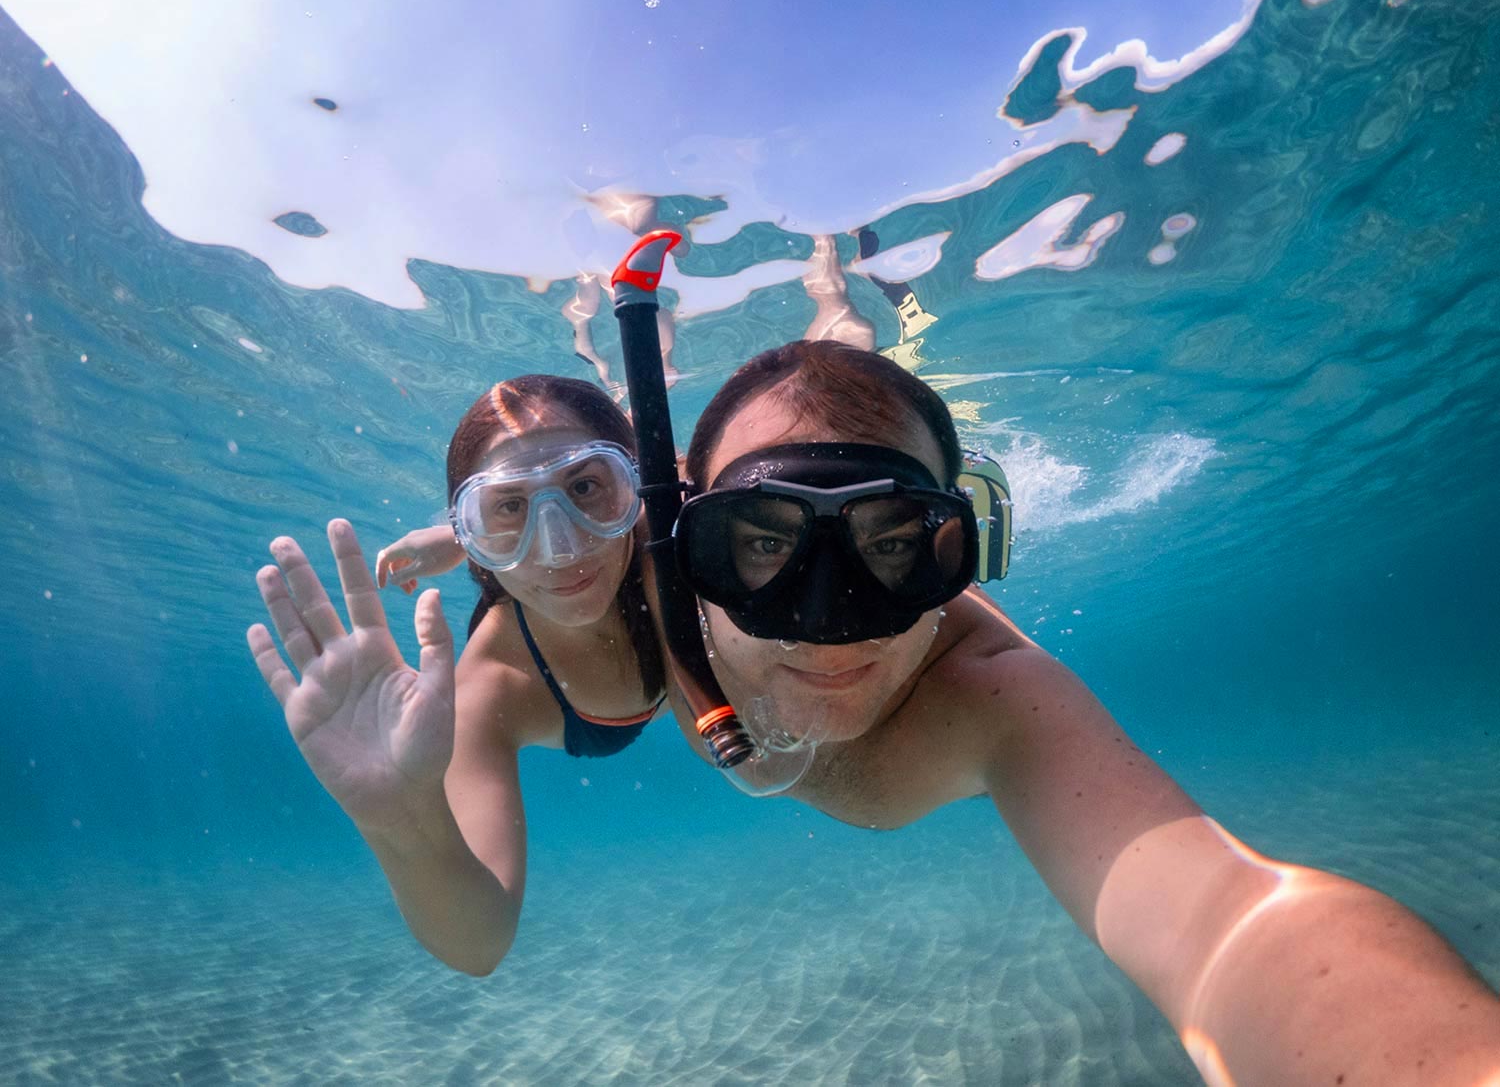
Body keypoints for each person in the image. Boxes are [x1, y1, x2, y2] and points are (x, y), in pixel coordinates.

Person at [662, 339, 1500, 1085]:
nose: (830, 623)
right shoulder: (613, 600)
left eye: (891, 544)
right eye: (764, 542)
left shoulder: (991, 696)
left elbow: (1218, 920)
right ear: (679, 549)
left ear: (960, 549)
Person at [246, 375, 665, 976]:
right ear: (475, 528)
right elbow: (479, 944)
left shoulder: (679, 528)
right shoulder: (495, 684)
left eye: (585, 485)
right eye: (509, 507)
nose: (561, 545)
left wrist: (457, 539)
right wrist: (402, 818)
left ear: (633, 488)